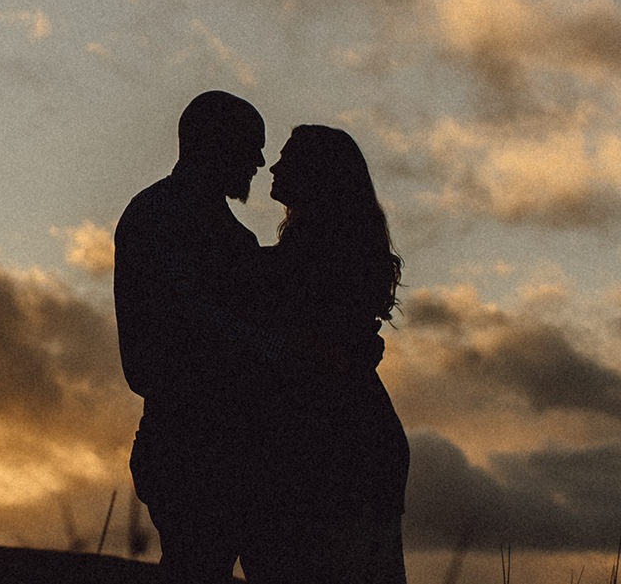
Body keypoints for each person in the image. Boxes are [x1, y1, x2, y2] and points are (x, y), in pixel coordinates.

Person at [115, 90, 281, 582]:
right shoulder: (155, 217)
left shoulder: (235, 238)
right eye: (250, 146)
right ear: (214, 144)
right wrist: (270, 349)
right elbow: (175, 324)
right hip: (189, 449)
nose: (258, 161)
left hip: (229, 450)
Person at [238, 126, 408, 584]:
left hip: (335, 445)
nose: (272, 167)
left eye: (286, 159)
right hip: (351, 437)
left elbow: (314, 352)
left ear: (317, 175)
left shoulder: (305, 262)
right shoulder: (321, 254)